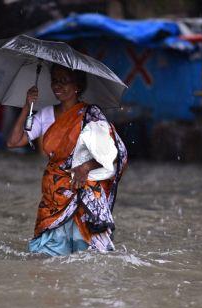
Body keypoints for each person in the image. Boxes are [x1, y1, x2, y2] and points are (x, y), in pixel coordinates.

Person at [7, 64, 127, 256]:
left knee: (87, 257)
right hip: (54, 194)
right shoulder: (45, 114)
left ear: (77, 84)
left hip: (83, 190)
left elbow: (113, 154)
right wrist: (26, 106)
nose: (57, 86)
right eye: (54, 80)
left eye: (64, 81)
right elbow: (14, 142)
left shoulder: (91, 116)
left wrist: (86, 167)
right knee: (44, 259)